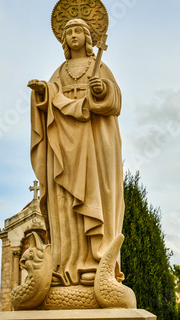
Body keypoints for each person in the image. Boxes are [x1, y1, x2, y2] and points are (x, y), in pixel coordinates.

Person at [28, 18, 124, 287]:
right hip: (64, 140)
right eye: (67, 31)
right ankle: (66, 264)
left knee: (95, 193)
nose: (72, 35)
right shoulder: (59, 72)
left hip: (92, 137)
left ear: (87, 37)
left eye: (77, 31)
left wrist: (102, 90)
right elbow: (50, 98)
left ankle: (96, 263)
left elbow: (115, 100)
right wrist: (43, 92)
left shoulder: (100, 67)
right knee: (65, 199)